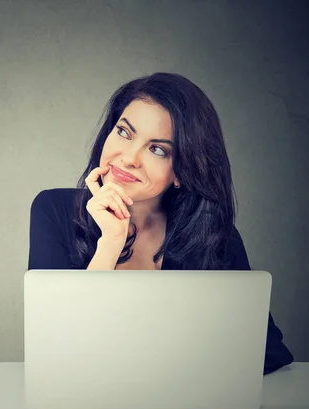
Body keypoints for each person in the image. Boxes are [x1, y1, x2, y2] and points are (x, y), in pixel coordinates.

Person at [27, 72, 294, 375]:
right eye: (124, 132)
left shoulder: (211, 236)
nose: (129, 158)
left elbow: (268, 354)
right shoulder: (53, 210)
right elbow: (54, 350)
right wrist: (110, 244)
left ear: (182, 170)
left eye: (157, 149)